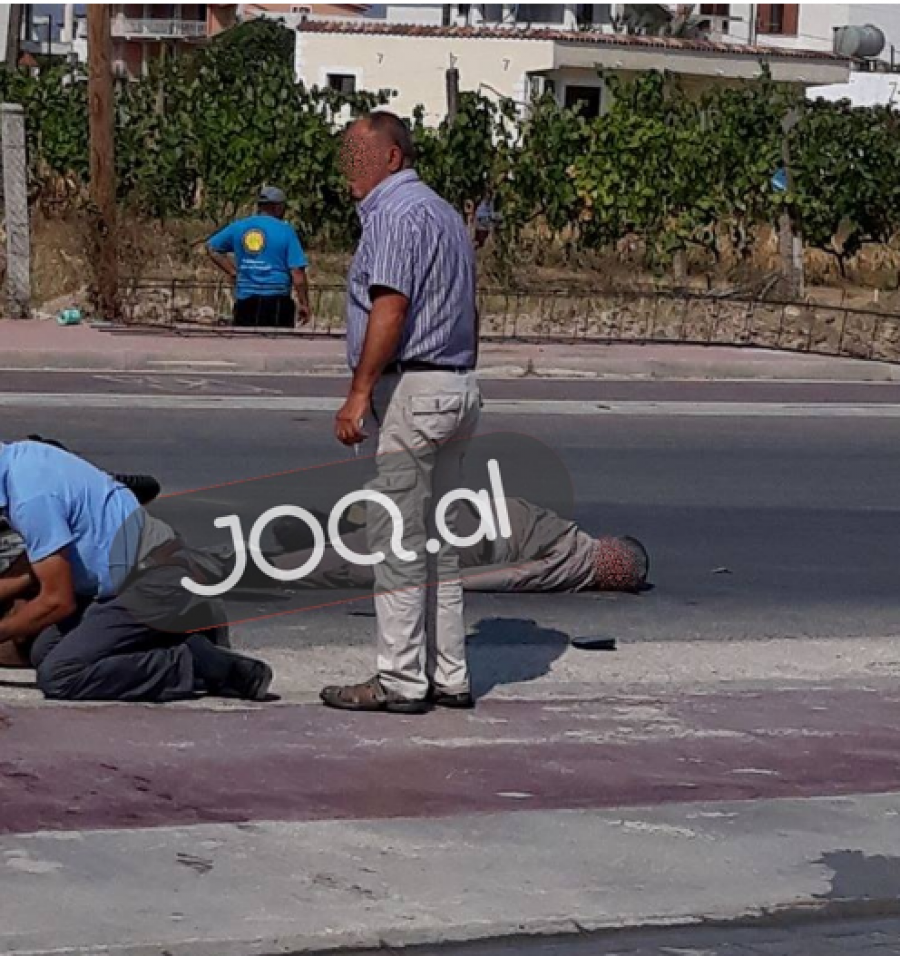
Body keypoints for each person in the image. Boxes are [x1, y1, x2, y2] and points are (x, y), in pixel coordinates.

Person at [326, 111, 482, 714]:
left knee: (398, 542)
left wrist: (359, 392)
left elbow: (390, 308)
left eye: (359, 158)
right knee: (440, 543)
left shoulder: (393, 215)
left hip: (413, 391)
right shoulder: (444, 214)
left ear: (392, 158)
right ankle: (449, 675)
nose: (349, 172)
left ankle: (399, 680)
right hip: (457, 386)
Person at [0, 439, 273, 702]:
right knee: (44, 650)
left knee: (60, 675)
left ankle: (202, 666)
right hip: (129, 578)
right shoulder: (23, 459)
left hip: (154, 579)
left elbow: (57, 601)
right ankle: (177, 635)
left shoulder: (31, 499)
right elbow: (40, 557)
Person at [207, 186, 311, 330]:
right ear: (278, 207)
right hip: (277, 300)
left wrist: (232, 271)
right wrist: (304, 303)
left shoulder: (239, 226)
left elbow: (212, 248)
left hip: (245, 301)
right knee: (278, 346)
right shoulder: (286, 231)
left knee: (246, 346)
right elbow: (297, 274)